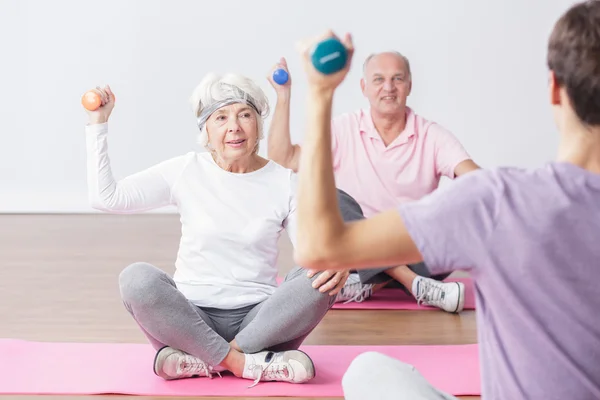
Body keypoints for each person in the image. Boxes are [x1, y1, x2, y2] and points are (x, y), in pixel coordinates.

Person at [293, 0, 600, 398]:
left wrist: (318, 93)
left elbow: (320, 247)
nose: (389, 87)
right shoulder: (491, 200)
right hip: (414, 242)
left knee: (367, 371)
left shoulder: (495, 203)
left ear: (554, 88)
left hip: (405, 242)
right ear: (368, 87)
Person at [83, 73, 351, 387]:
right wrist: (98, 124)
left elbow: (310, 250)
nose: (234, 127)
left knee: (322, 274)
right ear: (206, 130)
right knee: (135, 279)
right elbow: (106, 198)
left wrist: (335, 259)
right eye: (221, 117)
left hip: (260, 322)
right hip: (190, 317)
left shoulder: (284, 181)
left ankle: (200, 359)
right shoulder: (186, 170)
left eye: (245, 115)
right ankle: (247, 363)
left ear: (258, 126)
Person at [266, 51, 479, 313]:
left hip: (412, 247)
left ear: (409, 86)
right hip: (353, 247)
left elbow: (475, 180)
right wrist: (283, 95)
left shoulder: (432, 135)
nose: (388, 88)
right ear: (364, 87)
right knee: (328, 197)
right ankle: (413, 284)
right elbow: (284, 160)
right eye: (379, 79)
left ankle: (369, 284)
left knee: (460, 221)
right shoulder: (342, 128)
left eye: (397, 79)